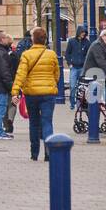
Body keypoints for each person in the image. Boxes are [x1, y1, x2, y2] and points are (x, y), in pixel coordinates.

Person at [11, 27, 62, 161]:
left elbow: (20, 75)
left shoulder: (26, 55)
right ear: (45, 39)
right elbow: (57, 74)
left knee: (34, 123)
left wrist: (15, 91)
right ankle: (49, 152)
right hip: (48, 93)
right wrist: (51, 83)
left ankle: (34, 153)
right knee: (47, 122)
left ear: (33, 39)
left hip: (31, 94)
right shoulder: (51, 54)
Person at [82, 29, 106, 108]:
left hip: (101, 77)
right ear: (103, 36)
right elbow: (102, 64)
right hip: (92, 77)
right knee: (97, 103)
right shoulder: (97, 45)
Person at [65, 27, 91, 109]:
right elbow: (67, 53)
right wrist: (69, 63)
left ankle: (80, 104)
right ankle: (72, 103)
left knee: (81, 87)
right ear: (79, 32)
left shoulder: (87, 42)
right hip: (74, 67)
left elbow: (89, 55)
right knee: (72, 86)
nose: (84, 34)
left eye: (85, 32)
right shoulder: (71, 41)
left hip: (82, 67)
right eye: (82, 32)